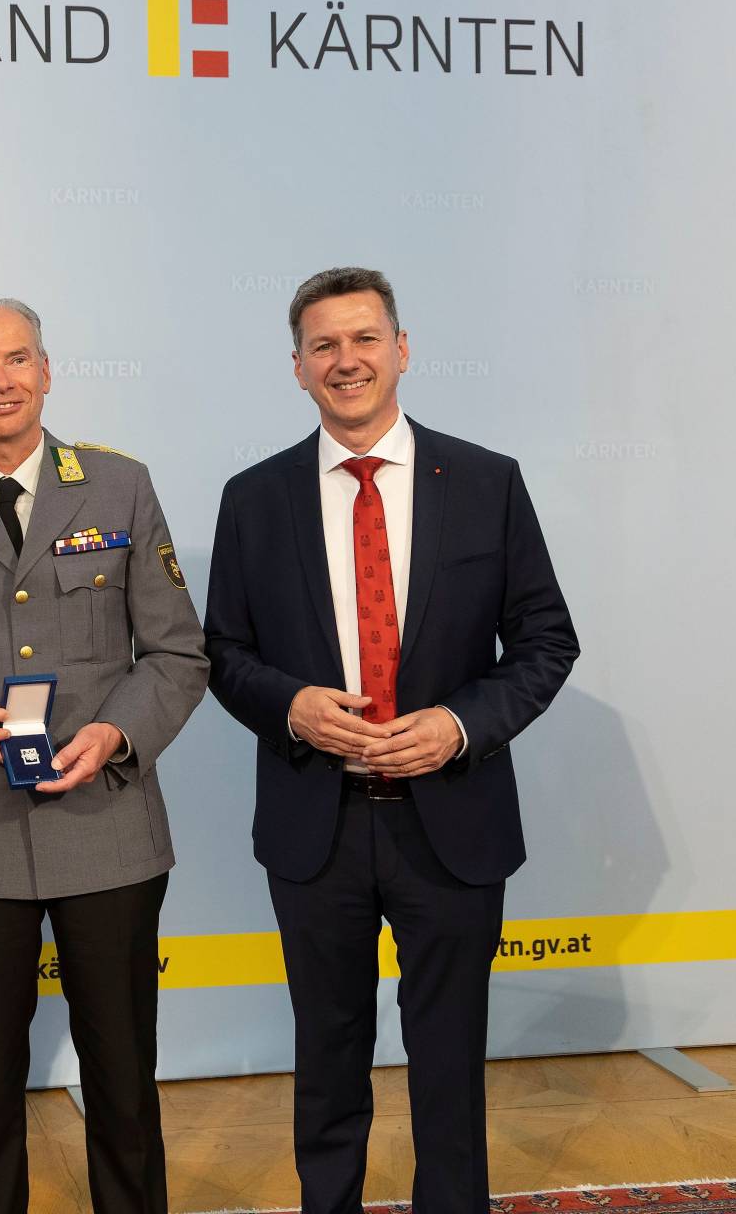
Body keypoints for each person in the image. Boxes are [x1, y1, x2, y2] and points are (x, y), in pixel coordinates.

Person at [203, 267, 579, 1214]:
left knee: (449, 1061)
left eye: (364, 339)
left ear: (402, 350)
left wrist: (459, 725)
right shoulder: (254, 498)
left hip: (452, 823)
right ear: (297, 368)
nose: (347, 361)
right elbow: (223, 652)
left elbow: (544, 640)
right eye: (323, 345)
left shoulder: (487, 482)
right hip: (313, 828)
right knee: (326, 1059)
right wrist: (291, 707)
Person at [0, 298, 208, 1214]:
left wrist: (118, 733)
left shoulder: (120, 484)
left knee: (122, 1077)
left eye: (16, 359)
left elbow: (179, 652)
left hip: (107, 822)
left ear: (47, 370)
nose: (0, 380)